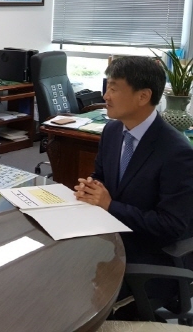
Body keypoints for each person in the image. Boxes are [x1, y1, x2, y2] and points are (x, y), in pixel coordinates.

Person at [74, 56, 193, 301]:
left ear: (143, 96)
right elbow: (101, 177)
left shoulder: (176, 152)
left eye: (114, 88)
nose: (105, 96)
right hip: (108, 238)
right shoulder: (112, 130)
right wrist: (91, 188)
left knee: (75, 292)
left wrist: (110, 205)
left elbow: (171, 226)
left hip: (147, 256)